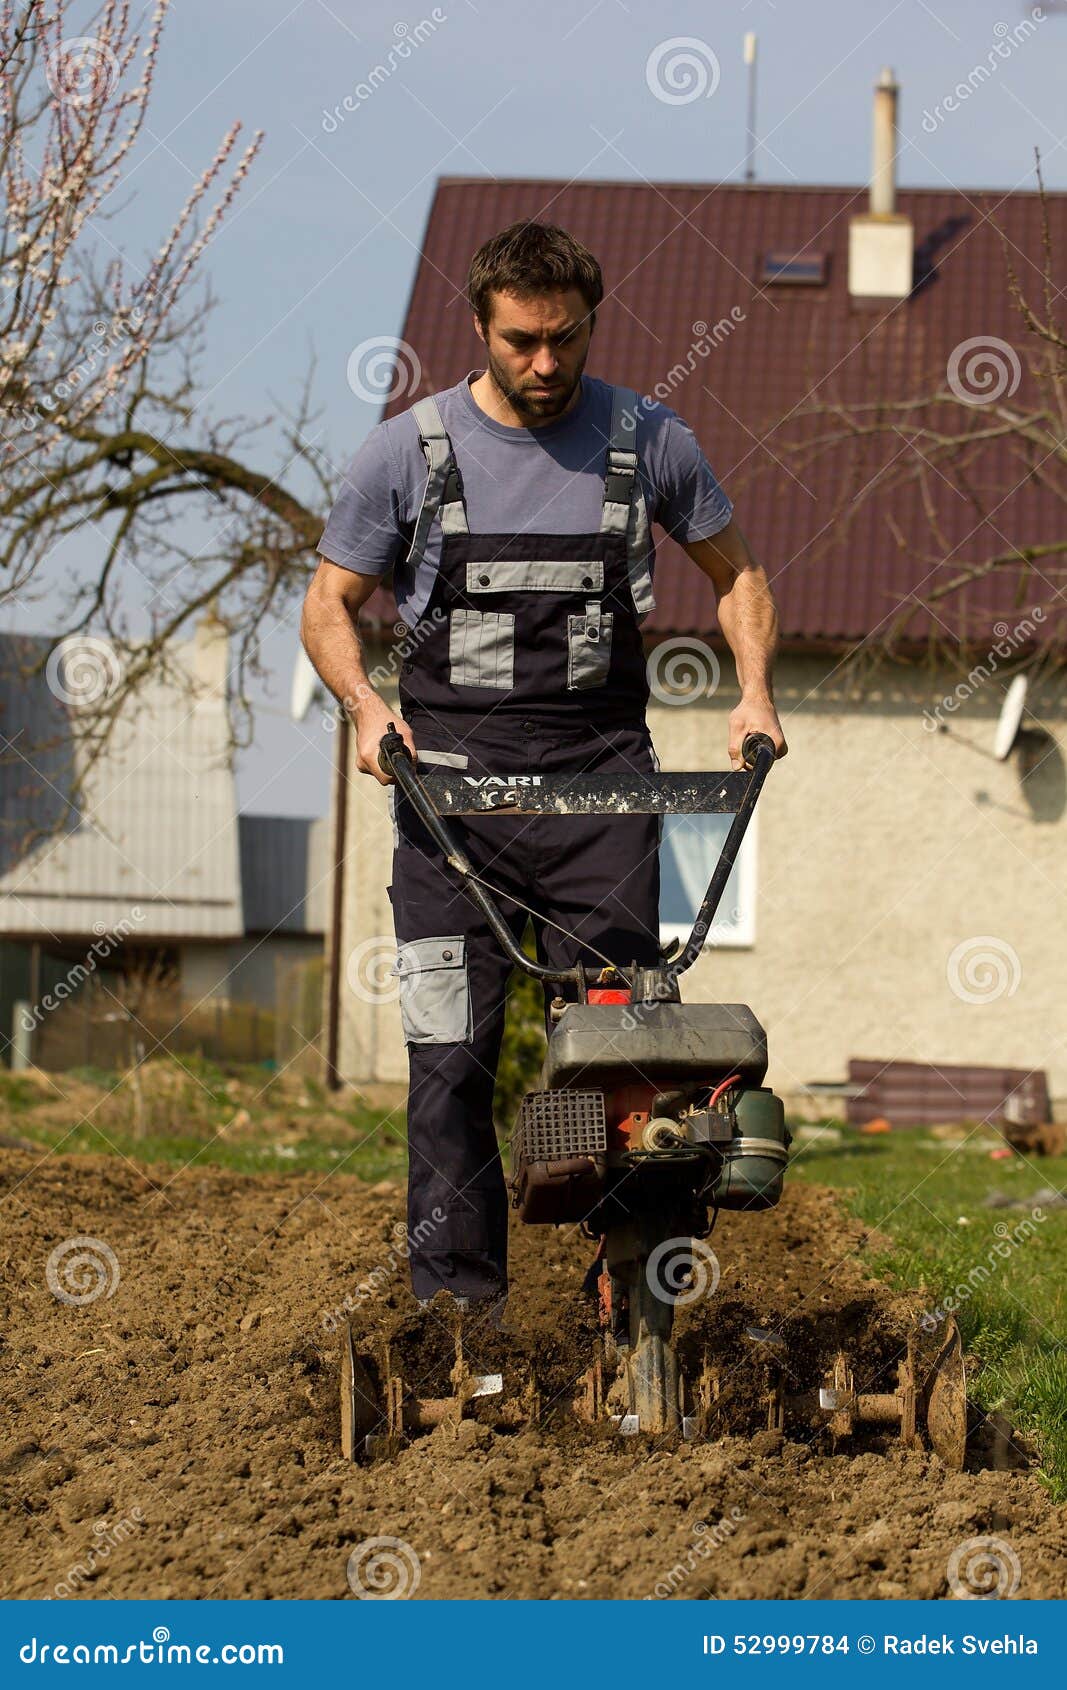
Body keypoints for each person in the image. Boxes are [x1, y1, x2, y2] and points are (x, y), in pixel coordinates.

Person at [301, 219, 786, 1327]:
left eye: (563, 339)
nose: (543, 363)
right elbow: (327, 605)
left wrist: (750, 689)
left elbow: (738, 571)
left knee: (623, 1060)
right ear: (479, 326)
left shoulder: (648, 441)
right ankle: (457, 1323)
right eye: (520, 341)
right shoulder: (405, 453)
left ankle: (627, 1284)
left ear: (588, 325)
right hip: (450, 811)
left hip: (598, 798)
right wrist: (368, 711)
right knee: (447, 1070)